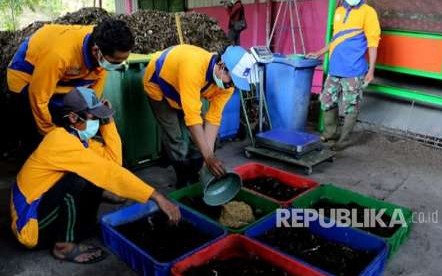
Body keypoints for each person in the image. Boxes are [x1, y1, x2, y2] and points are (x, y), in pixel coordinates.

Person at [10, 87, 181, 264]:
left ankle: (78, 231)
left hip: (43, 208)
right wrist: (157, 197)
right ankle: (63, 247)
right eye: (95, 117)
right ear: (74, 118)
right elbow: (110, 173)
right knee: (78, 180)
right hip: (30, 225)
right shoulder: (59, 141)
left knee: (93, 177)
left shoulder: (81, 141)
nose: (98, 122)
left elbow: (113, 163)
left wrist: (108, 121)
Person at [6, 18, 134, 157]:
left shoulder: (103, 43)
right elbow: (38, 96)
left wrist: (92, 108)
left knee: (71, 111)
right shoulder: (60, 55)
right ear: (96, 51)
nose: (119, 65)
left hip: (62, 75)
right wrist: (50, 133)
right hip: (26, 74)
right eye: (115, 62)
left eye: (123, 60)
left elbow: (95, 86)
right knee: (35, 132)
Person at [143, 44, 255, 188]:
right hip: (159, 86)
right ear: (221, 66)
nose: (231, 86)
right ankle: (182, 177)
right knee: (175, 135)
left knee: (200, 138)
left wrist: (206, 160)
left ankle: (196, 175)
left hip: (184, 90)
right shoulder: (193, 67)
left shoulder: (227, 86)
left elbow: (213, 118)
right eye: (232, 80)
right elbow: (192, 118)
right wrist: (208, 157)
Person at [307, 0, 380, 151]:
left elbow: (373, 43)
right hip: (335, 68)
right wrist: (319, 52)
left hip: (354, 70)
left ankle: (344, 140)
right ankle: (330, 134)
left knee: (351, 105)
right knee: (327, 100)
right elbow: (336, 39)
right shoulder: (339, 11)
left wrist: (371, 70)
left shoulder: (368, 12)